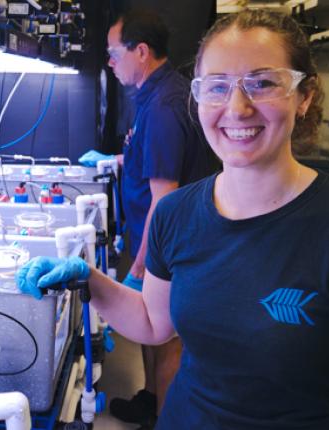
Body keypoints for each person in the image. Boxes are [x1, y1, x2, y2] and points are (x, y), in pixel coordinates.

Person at [19, 9, 329, 430]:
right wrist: (89, 280)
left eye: (262, 83)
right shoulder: (175, 213)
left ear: (304, 95)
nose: (237, 108)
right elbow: (153, 321)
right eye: (217, 87)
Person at [80, 9, 220, 428]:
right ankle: (150, 399)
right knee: (146, 329)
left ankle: (164, 419)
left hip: (167, 247)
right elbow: (151, 160)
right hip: (152, 238)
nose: (109, 62)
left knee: (166, 339)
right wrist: (117, 159)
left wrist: (142, 262)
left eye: (113, 53)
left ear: (140, 52)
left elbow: (165, 198)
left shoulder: (162, 106)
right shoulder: (153, 96)